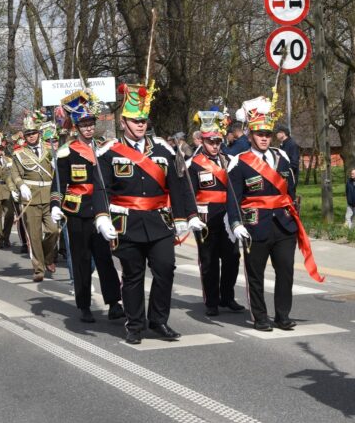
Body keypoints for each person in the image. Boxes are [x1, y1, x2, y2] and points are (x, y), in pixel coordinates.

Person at [92, 81, 203, 344]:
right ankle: (135, 324)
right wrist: (102, 216)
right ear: (123, 122)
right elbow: (101, 188)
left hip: (159, 221)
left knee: (165, 268)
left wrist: (189, 215)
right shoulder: (108, 152)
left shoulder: (164, 149)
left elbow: (178, 185)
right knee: (133, 274)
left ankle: (159, 320)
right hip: (127, 222)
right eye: (135, 120)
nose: (141, 124)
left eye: (144, 119)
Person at [226, 93, 323, 332]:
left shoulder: (282, 157)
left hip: (283, 224)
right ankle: (259, 317)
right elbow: (234, 197)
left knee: (286, 272)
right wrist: (236, 223)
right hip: (255, 225)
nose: (264, 138)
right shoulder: (239, 161)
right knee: (255, 275)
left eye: (267, 134)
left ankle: (282, 316)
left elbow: (290, 190)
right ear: (250, 135)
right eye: (259, 134)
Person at [53, 91, 123, 322]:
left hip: (101, 210)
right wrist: (56, 205)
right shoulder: (67, 152)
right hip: (78, 213)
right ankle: (84, 305)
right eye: (84, 125)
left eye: (91, 124)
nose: (89, 129)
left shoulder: (104, 148)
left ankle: (114, 302)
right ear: (76, 127)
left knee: (105, 258)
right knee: (81, 259)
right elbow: (59, 183)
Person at [188, 103, 244, 317]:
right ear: (202, 141)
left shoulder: (229, 160)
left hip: (227, 217)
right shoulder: (193, 164)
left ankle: (227, 297)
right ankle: (211, 301)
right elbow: (191, 194)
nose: (215, 145)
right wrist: (192, 217)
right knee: (209, 260)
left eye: (218, 141)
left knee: (232, 258)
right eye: (211, 141)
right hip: (206, 218)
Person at [8, 112, 60, 282]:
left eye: (34, 133)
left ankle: (48, 257)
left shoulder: (50, 149)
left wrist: (56, 163)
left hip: (49, 196)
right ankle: (38, 268)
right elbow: (15, 173)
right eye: (28, 134)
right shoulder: (19, 154)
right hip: (30, 197)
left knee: (54, 230)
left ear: (39, 133)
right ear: (25, 136)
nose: (31, 137)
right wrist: (21, 186)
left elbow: (58, 171)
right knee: (35, 235)